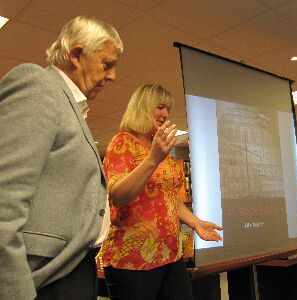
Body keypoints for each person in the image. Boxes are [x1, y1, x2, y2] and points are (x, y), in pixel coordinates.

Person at [0, 16, 123, 300]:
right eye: (107, 64)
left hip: (72, 271)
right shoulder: (38, 85)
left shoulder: (70, 106)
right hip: (46, 279)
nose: (113, 76)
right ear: (77, 55)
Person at [98, 84, 223, 300]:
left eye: (168, 109)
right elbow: (117, 197)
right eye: (160, 107)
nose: (165, 114)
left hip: (170, 255)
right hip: (133, 261)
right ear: (143, 107)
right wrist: (153, 158)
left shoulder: (161, 149)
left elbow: (168, 198)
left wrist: (195, 223)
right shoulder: (123, 142)